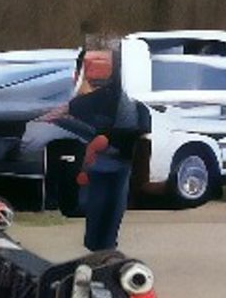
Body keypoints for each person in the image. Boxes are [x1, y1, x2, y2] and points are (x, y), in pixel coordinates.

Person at [45, 39, 149, 252]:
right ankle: (102, 245)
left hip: (114, 155)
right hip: (112, 156)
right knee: (106, 201)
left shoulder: (120, 98)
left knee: (107, 201)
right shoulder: (115, 96)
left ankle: (101, 245)